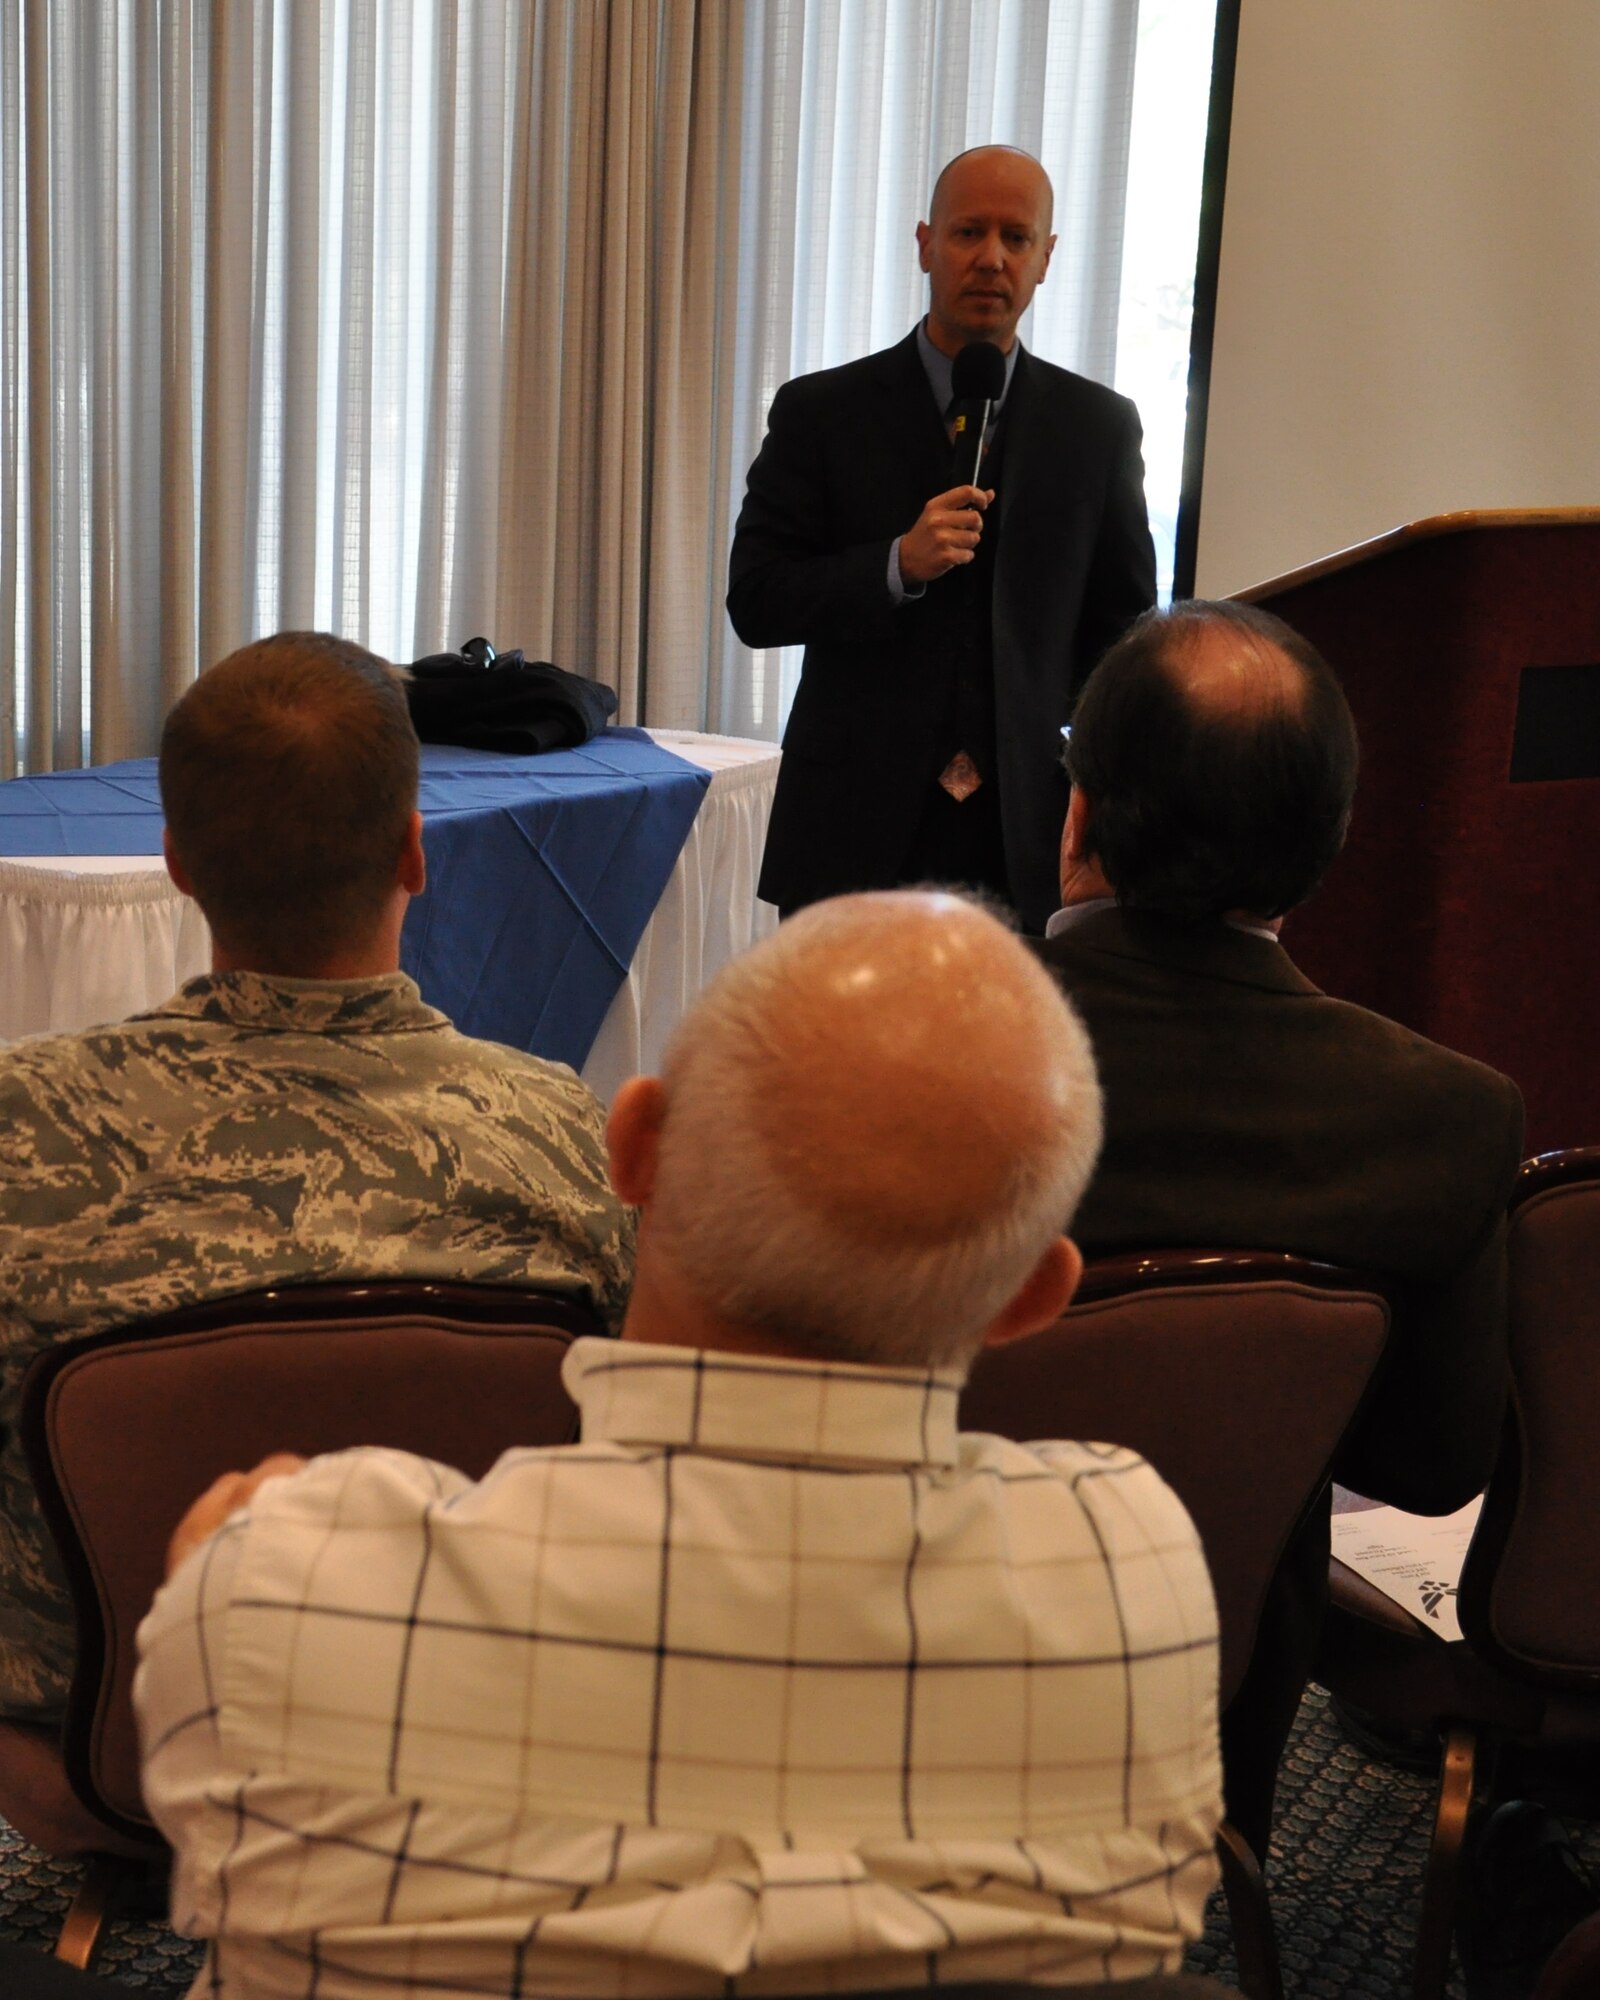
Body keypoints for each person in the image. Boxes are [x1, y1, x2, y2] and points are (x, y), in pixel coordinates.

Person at [137, 892, 1223, 1997]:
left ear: (635, 1146)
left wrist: (228, 1575)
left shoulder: (284, 1587)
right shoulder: (1140, 1573)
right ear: (1030, 1296)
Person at [0, 633, 633, 1724]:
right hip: (461, 1719)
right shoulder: (562, 1130)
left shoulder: (20, 1119)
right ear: (416, 853)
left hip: (100, 1732)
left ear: (178, 862)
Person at [1037, 598, 1525, 1857]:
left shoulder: (901, 1051)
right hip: (1210, 1738)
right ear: (1326, 844)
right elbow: (1429, 1465)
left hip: (877, 1697)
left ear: (1077, 816)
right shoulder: (1443, 1116)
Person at [728, 145, 1155, 934]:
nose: (992, 258)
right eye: (968, 233)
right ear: (925, 244)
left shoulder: (1096, 428)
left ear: (1047, 258)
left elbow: (1122, 644)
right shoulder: (823, 411)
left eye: (1016, 238)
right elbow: (755, 599)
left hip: (1026, 839)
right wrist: (894, 565)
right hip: (851, 834)